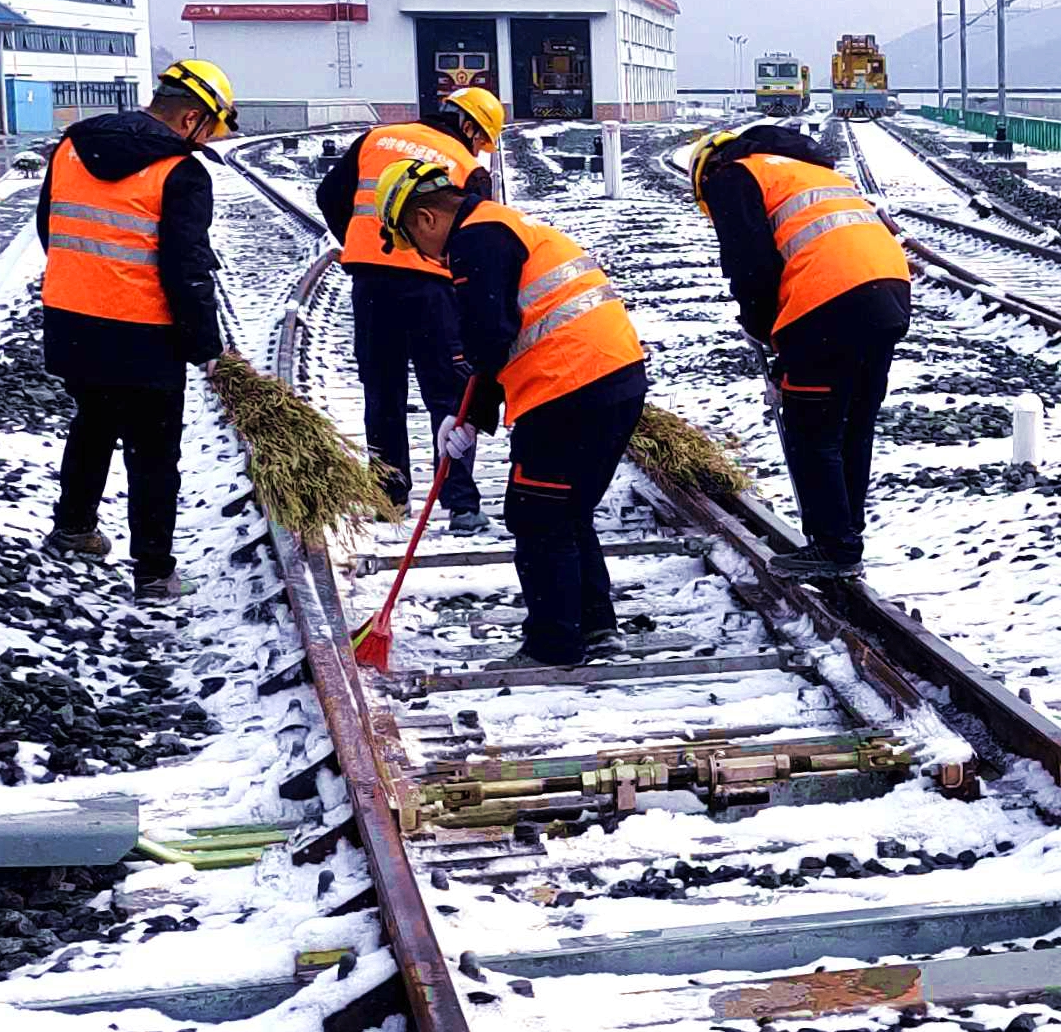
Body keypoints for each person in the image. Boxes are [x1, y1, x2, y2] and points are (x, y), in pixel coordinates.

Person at [381, 157, 647, 666]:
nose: (429, 260)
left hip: (567, 388)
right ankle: (595, 627)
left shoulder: (475, 240)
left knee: (536, 515)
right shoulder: (503, 226)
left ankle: (554, 645)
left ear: (426, 220)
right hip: (615, 378)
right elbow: (505, 336)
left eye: (417, 246)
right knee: (568, 511)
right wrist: (473, 420)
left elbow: (488, 338)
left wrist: (467, 417)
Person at [38, 59, 235, 601]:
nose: (204, 141)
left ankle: (74, 528)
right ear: (192, 116)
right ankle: (152, 572)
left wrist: (86, 283)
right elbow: (184, 267)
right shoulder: (181, 172)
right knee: (152, 454)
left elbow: (47, 229)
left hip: (72, 320)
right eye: (208, 129)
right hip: (143, 332)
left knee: (93, 420)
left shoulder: (72, 148)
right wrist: (207, 348)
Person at [691, 121, 909, 578]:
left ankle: (833, 548)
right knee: (852, 424)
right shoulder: (816, 174)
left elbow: (749, 267)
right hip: (889, 296)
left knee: (813, 430)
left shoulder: (732, 175)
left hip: (829, 303)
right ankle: (845, 537)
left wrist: (761, 328)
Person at [316, 84, 508, 530]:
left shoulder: (375, 139)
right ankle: (461, 505)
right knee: (448, 393)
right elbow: (481, 235)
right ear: (466, 125)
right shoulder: (464, 165)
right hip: (434, 289)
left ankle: (389, 500)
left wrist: (360, 241)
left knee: (382, 392)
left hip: (370, 281)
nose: (479, 150)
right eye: (480, 139)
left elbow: (329, 196)